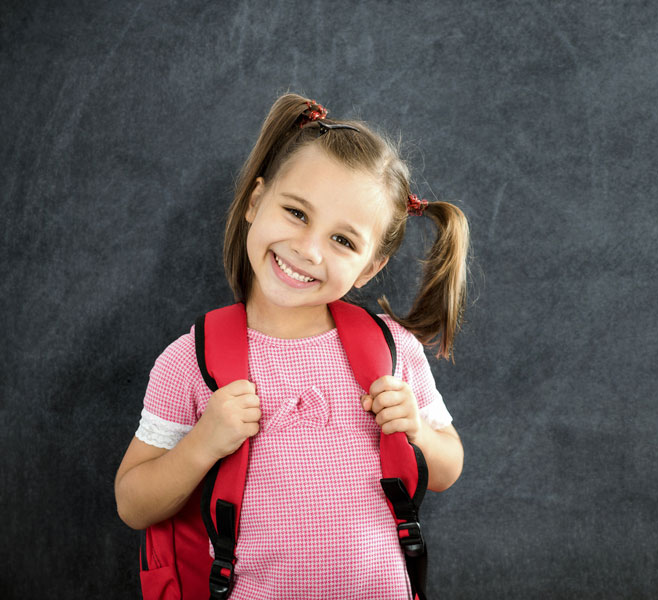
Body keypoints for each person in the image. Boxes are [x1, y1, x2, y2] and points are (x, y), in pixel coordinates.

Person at [114, 93, 469, 599]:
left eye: (343, 241)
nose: (308, 249)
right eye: (297, 212)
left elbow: (447, 468)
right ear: (256, 202)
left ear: (370, 268)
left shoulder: (393, 350)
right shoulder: (191, 360)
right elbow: (133, 504)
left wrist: (418, 432)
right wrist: (203, 444)